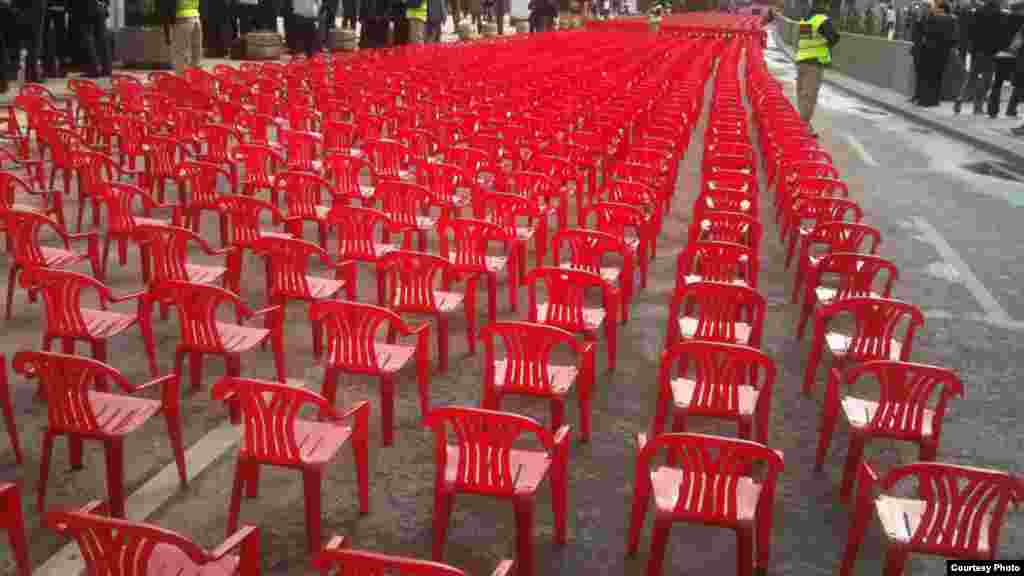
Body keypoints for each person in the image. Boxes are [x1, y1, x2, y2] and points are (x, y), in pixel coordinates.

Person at [795, 0, 840, 135]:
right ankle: (803, 127)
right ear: (824, 4)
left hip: (802, 60)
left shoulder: (806, 19)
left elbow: (806, 40)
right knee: (810, 95)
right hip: (814, 63)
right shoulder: (822, 19)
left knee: (802, 93)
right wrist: (824, 45)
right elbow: (834, 37)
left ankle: (803, 124)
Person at [954, 0, 1001, 114]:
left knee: (972, 77)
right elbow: (999, 35)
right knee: (986, 80)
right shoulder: (998, 16)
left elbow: (970, 32)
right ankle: (978, 107)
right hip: (990, 52)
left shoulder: (977, 13)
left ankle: (960, 97)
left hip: (977, 51)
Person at [77, 0, 110, 78]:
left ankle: (94, 69)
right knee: (102, 38)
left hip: (88, 7)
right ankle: (106, 69)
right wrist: (105, 4)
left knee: (89, 38)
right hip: (101, 7)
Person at [15, 0, 45, 83]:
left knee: (31, 46)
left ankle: (30, 74)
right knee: (32, 45)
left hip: (27, 12)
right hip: (29, 12)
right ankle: (30, 75)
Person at [171, 0, 203, 73]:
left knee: (180, 51)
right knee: (196, 49)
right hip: (196, 17)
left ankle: (181, 76)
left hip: (182, 17)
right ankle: (196, 75)